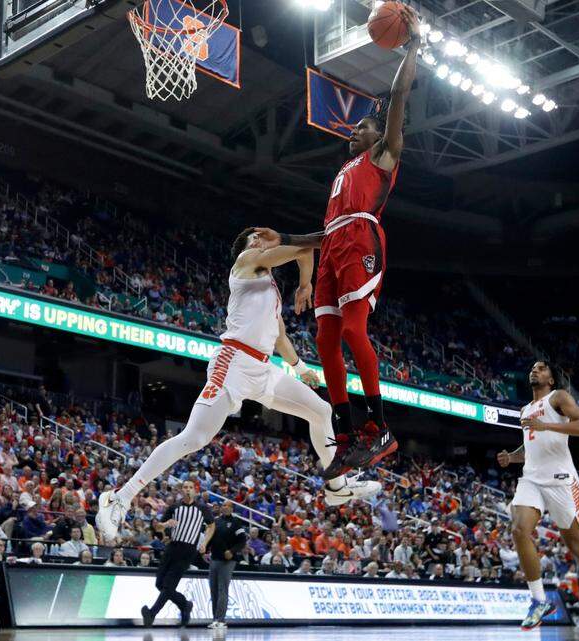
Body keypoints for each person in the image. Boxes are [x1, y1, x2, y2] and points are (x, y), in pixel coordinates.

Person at [96, 229, 382, 541]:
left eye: (263, 237)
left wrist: (303, 296)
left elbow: (282, 332)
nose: (261, 240)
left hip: (262, 368)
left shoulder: (270, 287)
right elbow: (303, 245)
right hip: (233, 363)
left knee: (321, 411)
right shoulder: (246, 262)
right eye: (255, 238)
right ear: (247, 248)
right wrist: (335, 234)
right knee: (194, 437)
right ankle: (119, 498)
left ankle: (336, 488)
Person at [249, 6, 422, 479]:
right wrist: (283, 239)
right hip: (334, 248)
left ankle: (380, 427)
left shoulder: (384, 155)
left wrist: (413, 47)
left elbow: (399, 93)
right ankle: (346, 434)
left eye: (360, 127)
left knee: (351, 331)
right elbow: (323, 235)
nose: (354, 130)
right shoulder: (340, 175)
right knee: (325, 341)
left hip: (363, 240)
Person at [496, 361, 579, 634]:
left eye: (541, 368)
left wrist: (547, 424)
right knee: (518, 530)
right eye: (533, 368)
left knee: (576, 545)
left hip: (561, 479)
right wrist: (512, 457)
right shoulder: (525, 410)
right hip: (531, 479)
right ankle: (539, 600)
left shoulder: (558, 397)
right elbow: (532, 446)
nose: (534, 371)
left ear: (550, 379)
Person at [140, 481, 214, 629]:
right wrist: (166, 525)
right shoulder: (174, 507)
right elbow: (158, 526)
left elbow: (211, 526)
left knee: (168, 585)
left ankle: (152, 613)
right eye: (185, 487)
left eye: (190, 488)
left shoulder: (202, 508)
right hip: (172, 547)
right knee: (159, 583)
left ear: (195, 491)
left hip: (188, 550)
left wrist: (204, 543)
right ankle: (185, 605)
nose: (188, 490)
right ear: (181, 490)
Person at [204, 501, 248, 629]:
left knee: (223, 588)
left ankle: (221, 620)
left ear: (232, 508)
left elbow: (242, 541)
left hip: (228, 560)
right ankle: (215, 619)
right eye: (223, 505)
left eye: (228, 506)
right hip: (214, 559)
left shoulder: (236, 522)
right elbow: (209, 538)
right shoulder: (215, 521)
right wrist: (205, 550)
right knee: (213, 589)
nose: (225, 507)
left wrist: (232, 551)